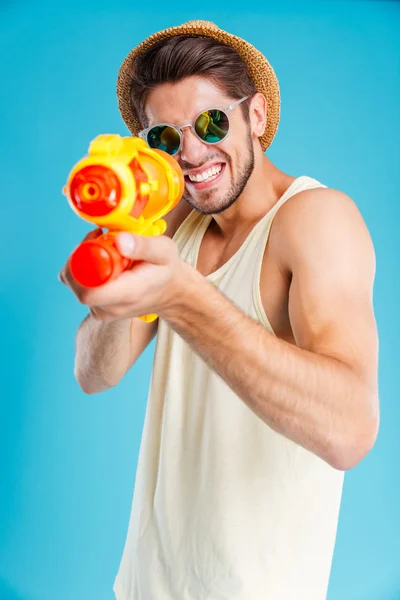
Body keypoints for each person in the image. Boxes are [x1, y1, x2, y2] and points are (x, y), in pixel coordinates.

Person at [58, 20, 380, 600]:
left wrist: (182, 296)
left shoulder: (316, 219)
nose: (192, 152)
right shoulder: (176, 225)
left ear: (255, 117)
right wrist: (118, 256)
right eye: (164, 138)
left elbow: (350, 430)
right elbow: (93, 374)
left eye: (212, 123)